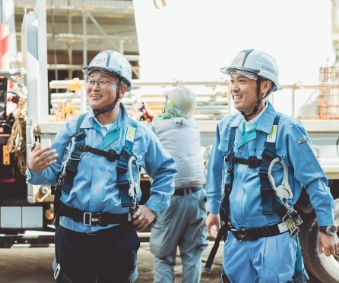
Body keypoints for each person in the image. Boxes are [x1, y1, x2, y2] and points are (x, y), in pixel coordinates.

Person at [27, 50, 177, 283]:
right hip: (72, 235)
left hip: (117, 237)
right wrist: (35, 168)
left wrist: (153, 207)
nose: (94, 87)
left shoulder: (140, 134)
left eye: (104, 81)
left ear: (122, 89)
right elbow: (52, 174)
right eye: (92, 81)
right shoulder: (73, 129)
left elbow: (166, 170)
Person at [205, 49, 339, 283]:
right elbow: (215, 172)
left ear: (264, 87)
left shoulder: (288, 129)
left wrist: (326, 227)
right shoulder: (226, 127)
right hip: (236, 241)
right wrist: (213, 210)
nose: (234, 88)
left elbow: (315, 181)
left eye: (242, 81)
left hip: (275, 241)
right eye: (232, 80)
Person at [149, 86, 208, 283]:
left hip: (171, 199)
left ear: (170, 106)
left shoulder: (155, 127)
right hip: (198, 196)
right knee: (192, 257)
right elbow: (175, 126)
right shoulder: (193, 125)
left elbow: (156, 131)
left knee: (164, 256)